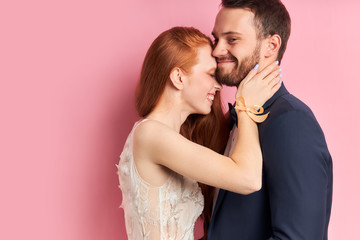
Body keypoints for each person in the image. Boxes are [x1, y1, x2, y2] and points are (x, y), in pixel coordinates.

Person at [117, 26, 281, 240]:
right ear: (178, 77)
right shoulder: (150, 134)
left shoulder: (167, 137)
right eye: (211, 75)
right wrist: (245, 107)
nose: (218, 86)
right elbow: (248, 178)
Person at [207, 0, 333, 240]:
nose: (216, 50)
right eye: (216, 40)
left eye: (232, 39)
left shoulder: (290, 121)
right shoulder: (234, 119)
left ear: (271, 45)